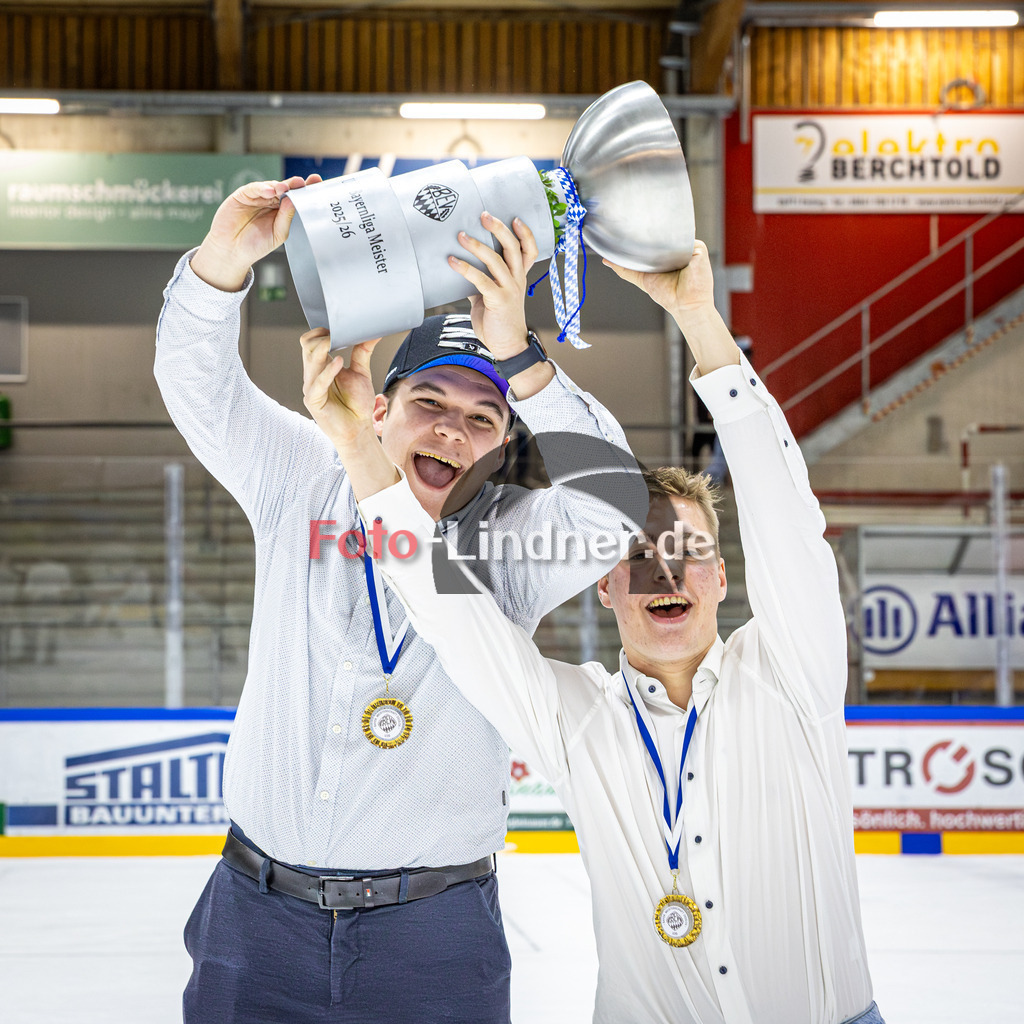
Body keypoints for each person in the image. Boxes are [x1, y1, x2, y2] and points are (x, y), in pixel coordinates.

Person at [154, 175, 645, 1024]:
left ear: (500, 446)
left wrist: (523, 356)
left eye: (484, 417)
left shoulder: (510, 541)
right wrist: (221, 262)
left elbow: (612, 509)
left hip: (435, 936)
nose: (453, 429)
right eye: (429, 402)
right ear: (378, 410)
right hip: (257, 921)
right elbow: (198, 387)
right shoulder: (302, 474)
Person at [361, 240, 885, 1024]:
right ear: (604, 582)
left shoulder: (793, 677)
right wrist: (357, 451)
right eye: (639, 553)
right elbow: (454, 618)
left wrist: (700, 322)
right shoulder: (575, 720)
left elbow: (783, 509)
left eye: (691, 551)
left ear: (723, 578)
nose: (665, 574)